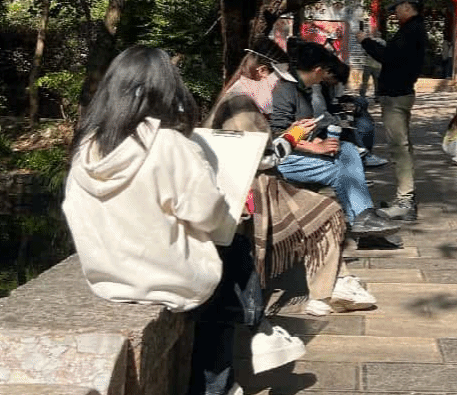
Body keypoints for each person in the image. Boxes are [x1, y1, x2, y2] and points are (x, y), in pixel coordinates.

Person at [62, 46, 305, 395]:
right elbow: (209, 216)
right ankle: (235, 362)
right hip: (165, 280)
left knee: (230, 261)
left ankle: (259, 333)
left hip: (106, 276)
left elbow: (73, 211)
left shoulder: (87, 146)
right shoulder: (169, 144)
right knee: (232, 258)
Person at [206, 43, 378, 317]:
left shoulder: (241, 100)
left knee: (326, 206)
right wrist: (292, 137)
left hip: (257, 185)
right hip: (253, 192)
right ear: (262, 73)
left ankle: (332, 286)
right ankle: (328, 289)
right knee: (326, 212)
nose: (278, 88)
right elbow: (260, 159)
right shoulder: (240, 104)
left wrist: (292, 136)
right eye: (276, 81)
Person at [270, 40, 400, 236]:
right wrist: (315, 147)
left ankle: (364, 218)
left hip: (299, 149)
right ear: (317, 70)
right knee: (342, 171)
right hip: (283, 159)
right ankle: (362, 219)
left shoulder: (303, 89)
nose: (325, 75)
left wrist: (317, 142)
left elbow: (299, 130)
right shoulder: (286, 90)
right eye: (324, 71)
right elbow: (277, 136)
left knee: (347, 149)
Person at [357, 0, 427, 221]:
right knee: (402, 147)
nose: (395, 13)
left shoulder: (411, 30)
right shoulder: (413, 29)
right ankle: (405, 198)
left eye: (396, 8)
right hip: (399, 94)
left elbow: (389, 57)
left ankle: (405, 201)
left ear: (406, 5)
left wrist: (365, 41)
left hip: (397, 96)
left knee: (399, 148)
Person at [359, 29, 385, 101]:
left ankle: (362, 96)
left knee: (365, 81)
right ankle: (377, 97)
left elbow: (364, 52)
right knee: (377, 82)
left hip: (368, 64)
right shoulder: (383, 42)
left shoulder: (370, 42)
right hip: (378, 66)